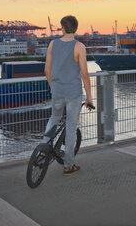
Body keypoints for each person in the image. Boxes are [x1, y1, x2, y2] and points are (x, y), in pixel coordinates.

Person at [43, 15, 94, 175]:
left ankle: (44, 147)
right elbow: (85, 75)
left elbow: (47, 70)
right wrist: (89, 98)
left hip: (57, 91)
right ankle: (69, 165)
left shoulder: (53, 44)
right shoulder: (79, 47)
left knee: (54, 118)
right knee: (71, 127)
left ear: (62, 28)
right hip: (73, 93)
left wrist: (54, 87)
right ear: (75, 29)